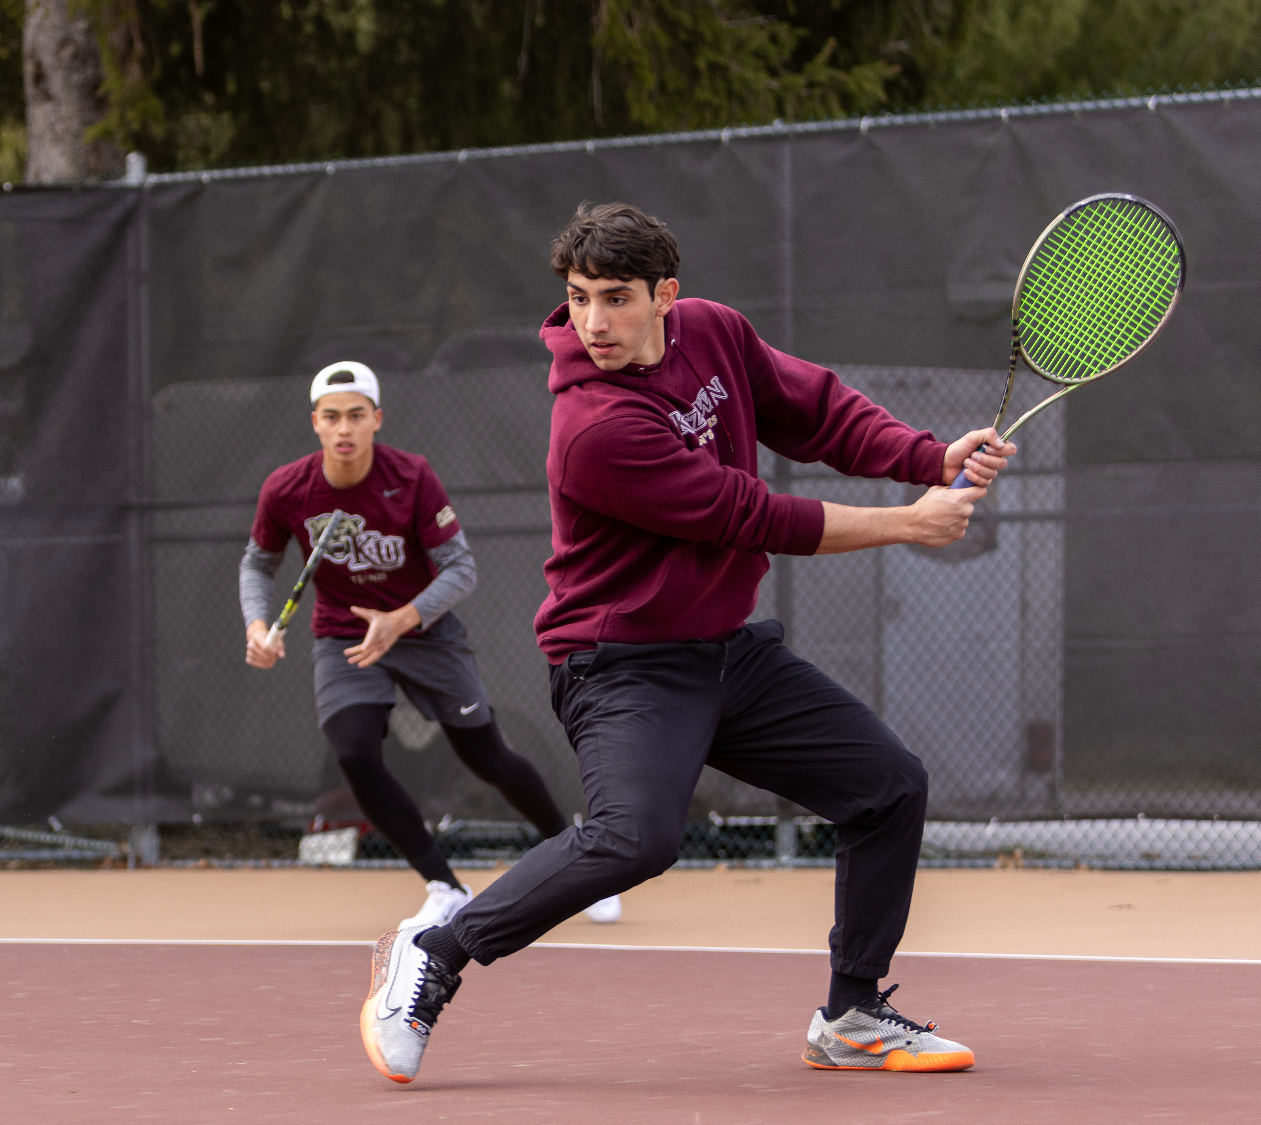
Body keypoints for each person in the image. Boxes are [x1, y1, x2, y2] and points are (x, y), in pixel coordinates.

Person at [359, 203, 1018, 1084]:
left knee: (888, 786)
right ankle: (436, 950)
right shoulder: (594, 429)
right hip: (621, 665)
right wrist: (909, 523)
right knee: (636, 837)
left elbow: (813, 410)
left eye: (616, 298)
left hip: (725, 650)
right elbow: (751, 515)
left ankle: (853, 1013)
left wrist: (928, 457)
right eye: (579, 297)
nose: (593, 321)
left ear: (666, 295)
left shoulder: (715, 333)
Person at [243, 361, 621, 930]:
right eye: (331, 417)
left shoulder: (412, 477)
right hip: (344, 635)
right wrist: (256, 624)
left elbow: (460, 568)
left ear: (376, 420)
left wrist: (402, 618)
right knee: (353, 754)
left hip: (426, 633)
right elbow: (259, 563)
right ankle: (444, 885)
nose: (344, 428)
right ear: (315, 424)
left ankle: (582, 864)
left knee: (486, 757)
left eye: (355, 415)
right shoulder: (286, 488)